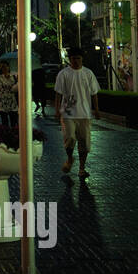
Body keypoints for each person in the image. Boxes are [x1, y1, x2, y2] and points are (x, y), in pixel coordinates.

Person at [54, 46, 101, 179]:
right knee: (70, 138)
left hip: (85, 113)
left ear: (82, 59)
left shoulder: (88, 73)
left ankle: (82, 168)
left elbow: (94, 93)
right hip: (68, 112)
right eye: (73, 58)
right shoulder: (63, 74)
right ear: (70, 59)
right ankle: (70, 158)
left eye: (78, 58)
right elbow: (58, 93)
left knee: (85, 143)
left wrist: (96, 110)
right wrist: (58, 110)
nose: (76, 61)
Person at [0, 60, 18, 127]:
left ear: (9, 67)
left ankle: (13, 136)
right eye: (3, 67)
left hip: (12, 101)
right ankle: (6, 136)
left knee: (14, 122)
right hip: (2, 102)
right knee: (4, 122)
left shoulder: (14, 76)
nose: (5, 68)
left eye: (6, 66)